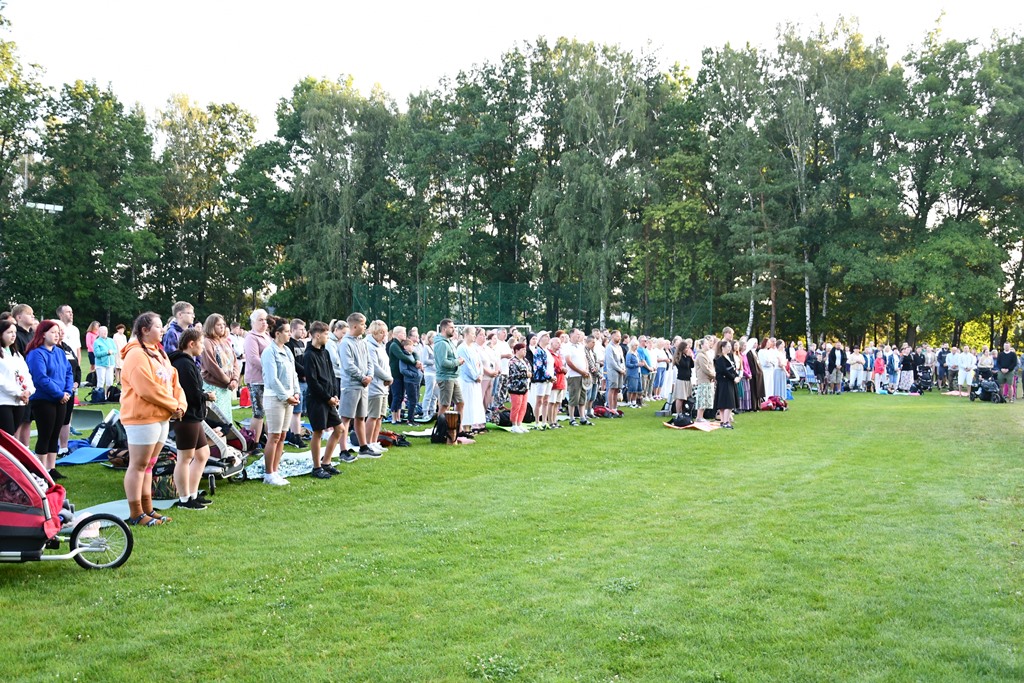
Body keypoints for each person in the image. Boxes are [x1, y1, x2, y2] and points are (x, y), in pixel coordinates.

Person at [120, 312, 185, 526]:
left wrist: (180, 405)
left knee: (149, 465)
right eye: (158, 326)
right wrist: (173, 405)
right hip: (142, 417)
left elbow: (174, 382)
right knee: (138, 465)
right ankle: (136, 513)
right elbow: (146, 389)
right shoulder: (136, 354)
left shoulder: (160, 353)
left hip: (161, 416)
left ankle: (148, 509)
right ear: (145, 330)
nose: (163, 330)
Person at [169, 327, 214, 509]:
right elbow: (190, 394)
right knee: (185, 457)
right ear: (191, 344)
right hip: (186, 416)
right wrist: (207, 396)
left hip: (194, 416)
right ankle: (184, 499)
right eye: (201, 343)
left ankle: (193, 494)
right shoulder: (184, 364)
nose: (203, 346)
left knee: (203, 454)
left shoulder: (188, 362)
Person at [25, 321, 74, 480]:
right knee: (45, 435)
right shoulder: (36, 354)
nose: (57, 335)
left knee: (55, 434)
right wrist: (59, 394)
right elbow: (40, 378)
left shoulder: (59, 352)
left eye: (58, 332)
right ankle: (40, 471)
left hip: (61, 399)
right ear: (43, 334)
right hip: (43, 400)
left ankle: (51, 468)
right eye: (53, 332)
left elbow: (68, 372)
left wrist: (67, 392)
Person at [260, 317, 301, 485]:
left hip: (288, 398)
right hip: (274, 398)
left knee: (283, 435)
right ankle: (268, 473)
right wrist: (286, 396)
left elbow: (294, 374)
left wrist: (296, 392)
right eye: (287, 332)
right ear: (277, 333)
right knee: (274, 435)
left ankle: (275, 471)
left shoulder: (287, 351)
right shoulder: (269, 352)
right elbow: (272, 379)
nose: (289, 334)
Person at [302, 321, 345, 479]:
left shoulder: (325, 352)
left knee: (340, 429)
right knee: (318, 432)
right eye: (326, 334)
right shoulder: (309, 355)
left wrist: (335, 394)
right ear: (317, 335)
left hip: (329, 398)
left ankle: (326, 462)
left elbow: (332, 375)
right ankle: (317, 467)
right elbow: (312, 382)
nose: (328, 337)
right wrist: (327, 398)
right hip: (317, 399)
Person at [338, 312, 377, 458]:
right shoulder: (345, 343)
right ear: (354, 326)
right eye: (362, 324)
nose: (365, 327)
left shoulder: (363, 342)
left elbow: (369, 361)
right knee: (346, 418)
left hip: (363, 385)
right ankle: (343, 450)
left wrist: (370, 376)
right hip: (351, 385)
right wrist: (362, 377)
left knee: (361, 417)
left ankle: (363, 447)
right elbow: (348, 365)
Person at [200, 313, 240, 418]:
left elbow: (235, 362)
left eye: (223, 324)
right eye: (218, 325)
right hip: (214, 386)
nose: (222, 327)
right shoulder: (207, 342)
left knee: (227, 419)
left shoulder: (226, 342)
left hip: (227, 387)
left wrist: (235, 379)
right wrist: (228, 381)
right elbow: (211, 366)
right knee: (217, 419)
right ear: (211, 326)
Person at [0, 320, 34, 438]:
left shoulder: (17, 354)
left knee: (12, 435)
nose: (13, 335)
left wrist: (29, 391)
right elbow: (1, 381)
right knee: (7, 436)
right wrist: (19, 393)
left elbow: (26, 374)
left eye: (14, 332)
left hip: (19, 402)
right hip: (3, 401)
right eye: (9, 332)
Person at [243, 309, 271, 450]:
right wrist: (270, 368)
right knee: (258, 412)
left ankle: (266, 440)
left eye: (265, 320)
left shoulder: (267, 336)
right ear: (253, 322)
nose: (264, 322)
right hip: (256, 379)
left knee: (268, 411)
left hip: (267, 379)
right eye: (261, 320)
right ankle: (254, 443)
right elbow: (254, 358)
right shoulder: (251, 337)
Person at [365, 320, 393, 457]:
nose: (384, 335)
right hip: (375, 386)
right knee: (373, 415)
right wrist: (388, 377)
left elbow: (386, 365)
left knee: (380, 416)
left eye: (385, 332)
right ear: (374, 332)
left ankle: (374, 441)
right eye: (381, 332)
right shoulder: (369, 346)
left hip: (383, 386)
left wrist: (388, 377)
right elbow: (375, 367)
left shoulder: (381, 346)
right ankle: (367, 443)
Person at [387, 326, 422, 425]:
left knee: (401, 396)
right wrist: (415, 363)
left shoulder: (401, 345)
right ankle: (394, 418)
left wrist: (417, 360)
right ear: (398, 334)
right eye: (403, 333)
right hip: (396, 374)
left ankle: (398, 417)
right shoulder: (394, 345)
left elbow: (414, 353)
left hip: (402, 375)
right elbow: (402, 357)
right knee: (396, 396)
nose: (405, 335)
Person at [284, 318, 309, 447]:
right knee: (295, 411)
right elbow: (293, 363)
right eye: (301, 329)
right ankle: (295, 436)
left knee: (299, 411)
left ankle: (297, 433)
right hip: (296, 381)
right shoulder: (289, 344)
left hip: (304, 380)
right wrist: (305, 372)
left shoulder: (301, 343)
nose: (303, 331)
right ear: (293, 329)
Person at [433, 318, 465, 422]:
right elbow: (443, 363)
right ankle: (441, 428)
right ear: (444, 329)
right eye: (451, 327)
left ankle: (458, 428)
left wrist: (457, 360)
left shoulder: (449, 342)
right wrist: (457, 362)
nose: (454, 330)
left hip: (453, 377)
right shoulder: (441, 344)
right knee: (445, 405)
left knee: (460, 403)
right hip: (446, 378)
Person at [458, 325, 486, 434]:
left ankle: (471, 427)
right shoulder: (462, 348)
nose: (474, 336)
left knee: (474, 404)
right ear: (466, 334)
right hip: (467, 381)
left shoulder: (474, 348)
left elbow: (479, 362)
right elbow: (466, 365)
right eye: (473, 333)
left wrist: (481, 374)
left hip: (476, 381)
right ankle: (464, 427)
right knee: (467, 404)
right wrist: (475, 376)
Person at [713, 340, 739, 429]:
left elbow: (732, 369)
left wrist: (737, 376)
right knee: (727, 402)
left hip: (729, 382)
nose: (730, 348)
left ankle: (724, 421)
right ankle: (725, 421)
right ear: (722, 348)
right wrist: (733, 378)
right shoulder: (719, 359)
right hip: (724, 382)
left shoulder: (729, 357)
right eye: (728, 346)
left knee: (726, 403)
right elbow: (724, 371)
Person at [398, 337, 423, 426]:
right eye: (410, 345)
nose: (412, 347)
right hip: (410, 381)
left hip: (417, 381)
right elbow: (403, 370)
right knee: (412, 400)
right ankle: (410, 420)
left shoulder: (412, 355)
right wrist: (414, 374)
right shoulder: (404, 357)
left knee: (415, 400)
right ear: (405, 347)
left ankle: (412, 418)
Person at [507, 342, 531, 432]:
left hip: (525, 386)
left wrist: (529, 374)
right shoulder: (512, 361)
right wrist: (525, 374)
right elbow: (513, 374)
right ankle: (514, 424)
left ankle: (519, 423)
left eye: (525, 350)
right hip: (516, 387)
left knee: (523, 406)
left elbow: (530, 369)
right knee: (516, 406)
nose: (525, 351)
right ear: (517, 350)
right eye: (523, 350)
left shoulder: (526, 361)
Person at [530, 332, 552, 428]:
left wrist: (553, 376)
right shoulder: (538, 351)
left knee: (546, 400)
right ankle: (537, 422)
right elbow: (539, 366)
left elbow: (551, 366)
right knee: (539, 400)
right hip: (541, 379)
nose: (548, 338)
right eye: (546, 336)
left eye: (548, 336)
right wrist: (549, 376)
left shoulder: (548, 351)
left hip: (549, 379)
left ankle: (544, 421)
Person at [92, 326, 117, 396]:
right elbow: (97, 354)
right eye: (103, 331)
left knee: (110, 381)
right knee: (101, 381)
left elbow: (115, 350)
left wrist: (112, 352)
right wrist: (107, 352)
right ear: (99, 332)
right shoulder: (97, 342)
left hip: (110, 363)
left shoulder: (111, 340)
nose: (105, 332)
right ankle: (100, 396)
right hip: (101, 364)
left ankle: (108, 396)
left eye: (106, 331)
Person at [604, 330, 625, 414]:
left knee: (617, 389)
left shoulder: (619, 347)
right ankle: (610, 407)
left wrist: (623, 368)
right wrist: (619, 369)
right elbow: (611, 361)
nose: (619, 338)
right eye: (617, 336)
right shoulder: (609, 347)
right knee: (612, 389)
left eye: (620, 336)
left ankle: (615, 407)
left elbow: (622, 359)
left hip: (620, 371)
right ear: (612, 336)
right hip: (613, 371)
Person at [672, 339, 694, 414]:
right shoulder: (679, 357)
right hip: (681, 379)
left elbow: (692, 365)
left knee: (686, 397)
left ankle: (683, 411)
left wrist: (690, 357)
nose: (688, 349)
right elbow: (685, 365)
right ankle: (678, 412)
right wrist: (688, 357)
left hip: (687, 378)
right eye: (686, 348)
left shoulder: (686, 357)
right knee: (680, 397)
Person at [420, 330, 437, 420]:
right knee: (429, 393)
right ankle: (425, 412)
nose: (435, 338)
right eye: (433, 337)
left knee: (434, 394)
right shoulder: (426, 348)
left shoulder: (435, 347)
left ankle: (433, 411)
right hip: (429, 373)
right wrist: (434, 361)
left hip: (436, 373)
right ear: (429, 338)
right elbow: (424, 360)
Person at [625, 340, 642, 408]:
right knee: (631, 388)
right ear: (632, 345)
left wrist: (641, 364)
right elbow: (627, 364)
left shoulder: (637, 353)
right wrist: (636, 364)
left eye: (637, 345)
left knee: (636, 388)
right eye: (635, 345)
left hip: (638, 372)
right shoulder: (629, 354)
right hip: (632, 373)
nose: (636, 347)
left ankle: (634, 402)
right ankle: (629, 402)